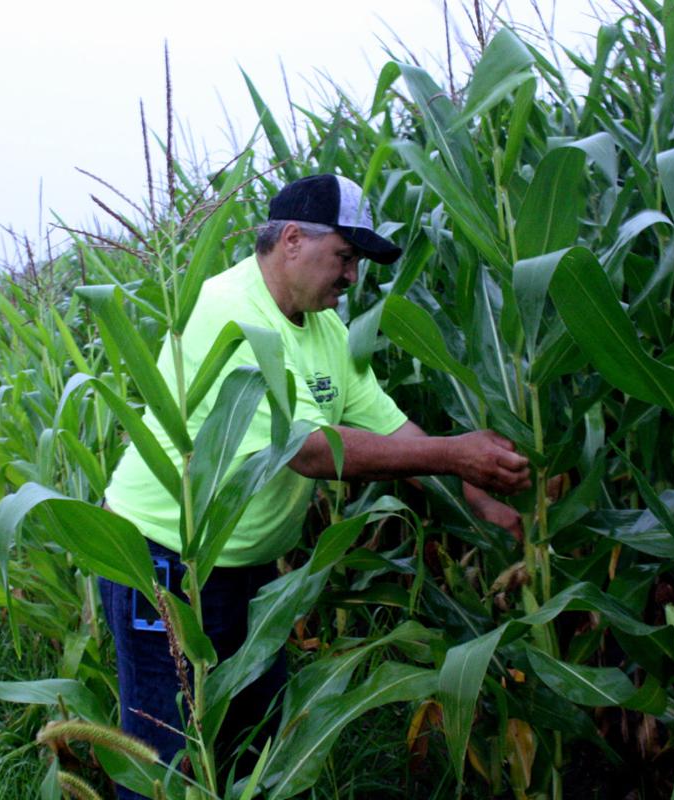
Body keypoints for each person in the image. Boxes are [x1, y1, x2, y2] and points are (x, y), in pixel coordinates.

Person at [99, 173, 530, 795]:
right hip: (164, 559)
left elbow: (381, 417)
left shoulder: (322, 327)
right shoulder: (231, 315)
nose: (353, 278)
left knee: (255, 737)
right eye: (346, 257)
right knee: (163, 754)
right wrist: (453, 456)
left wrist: (471, 481)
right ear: (293, 240)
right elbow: (303, 450)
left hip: (245, 568)